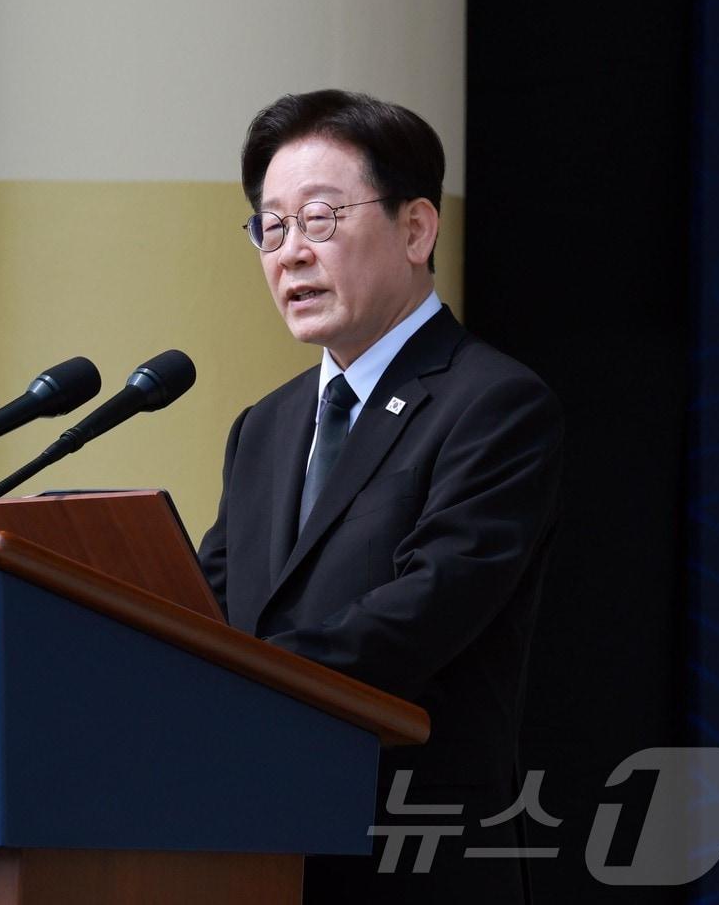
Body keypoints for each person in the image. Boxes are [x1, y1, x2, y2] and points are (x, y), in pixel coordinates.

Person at [197, 89, 563, 903]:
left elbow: (426, 609)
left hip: (413, 857)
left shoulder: (493, 403)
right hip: (256, 854)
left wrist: (234, 680)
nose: (290, 252)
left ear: (416, 228)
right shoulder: (266, 426)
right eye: (272, 226)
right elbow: (205, 607)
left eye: (320, 219)